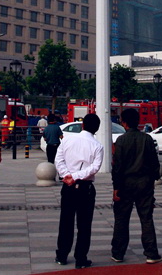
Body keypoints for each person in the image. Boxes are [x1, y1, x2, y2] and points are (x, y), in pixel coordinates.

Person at [111, 107, 162, 265]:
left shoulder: (120, 141)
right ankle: (151, 253)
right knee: (146, 218)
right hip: (145, 183)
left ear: (124, 123)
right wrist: (152, 180)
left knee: (121, 219)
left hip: (125, 184)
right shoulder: (147, 139)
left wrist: (116, 187)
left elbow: (117, 167)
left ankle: (118, 253)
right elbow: (155, 164)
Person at [54, 113, 103, 269]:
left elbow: (58, 159)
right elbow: (94, 168)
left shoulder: (67, 140)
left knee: (65, 221)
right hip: (85, 188)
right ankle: (80, 258)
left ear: (82, 125)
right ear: (97, 128)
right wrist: (76, 176)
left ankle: (61, 255)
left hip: (67, 186)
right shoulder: (97, 146)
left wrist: (67, 175)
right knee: (84, 225)